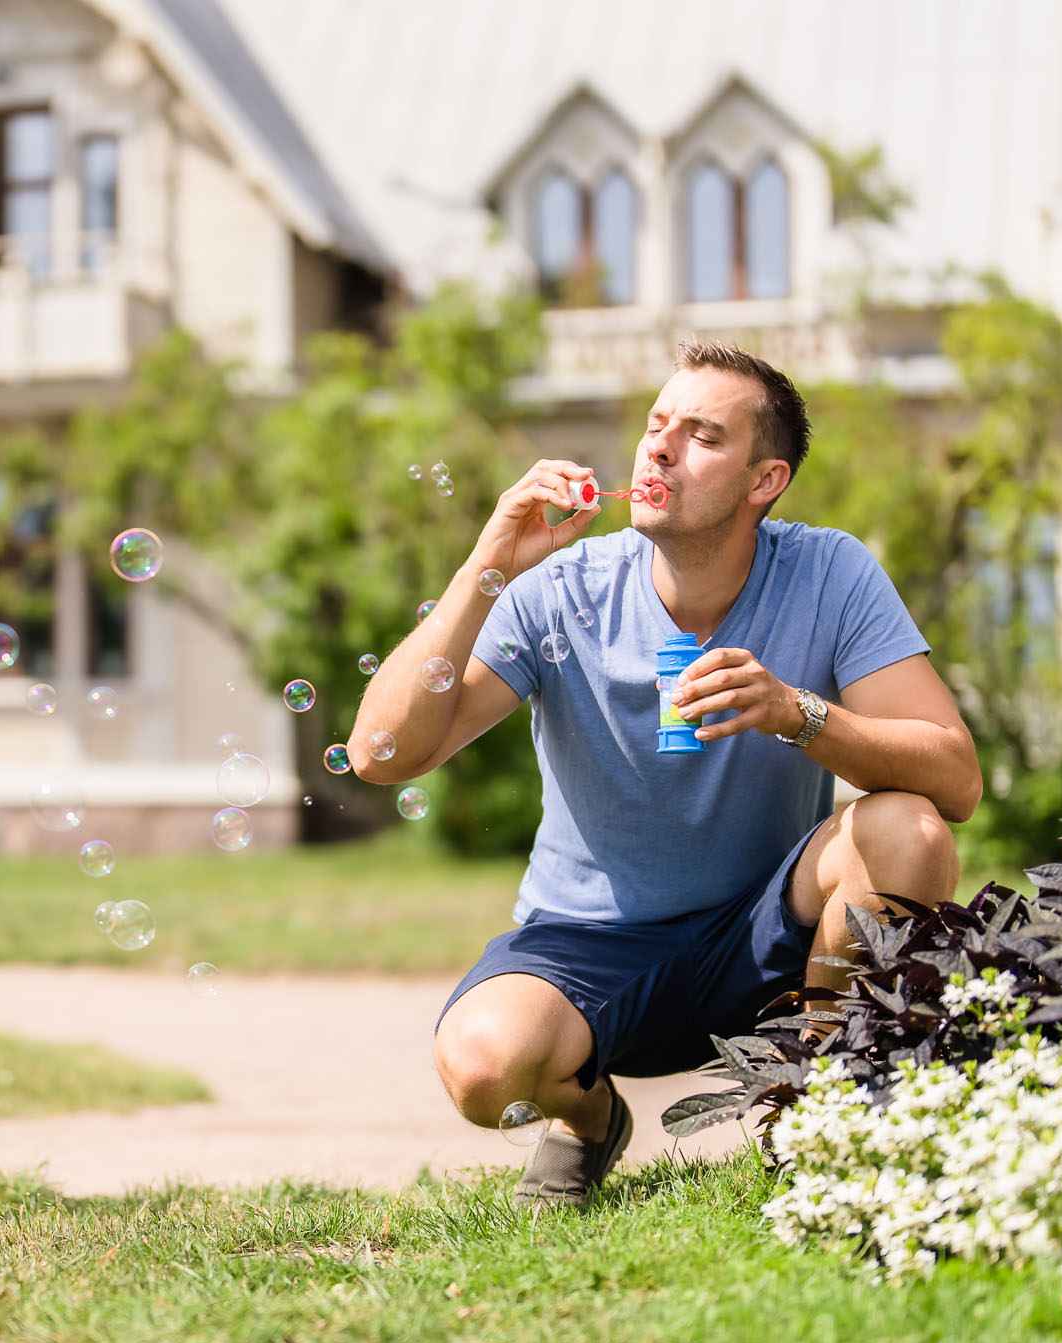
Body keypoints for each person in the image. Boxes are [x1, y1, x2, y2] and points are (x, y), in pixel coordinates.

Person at [352, 341, 981, 1213]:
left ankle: (809, 1104)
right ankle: (588, 1119)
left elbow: (954, 777)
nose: (658, 448)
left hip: (767, 934)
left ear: (765, 481)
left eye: (701, 435)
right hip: (589, 944)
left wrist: (797, 713)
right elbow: (384, 757)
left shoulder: (829, 571)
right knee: (485, 1068)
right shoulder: (562, 589)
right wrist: (490, 563)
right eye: (656, 426)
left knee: (908, 830)